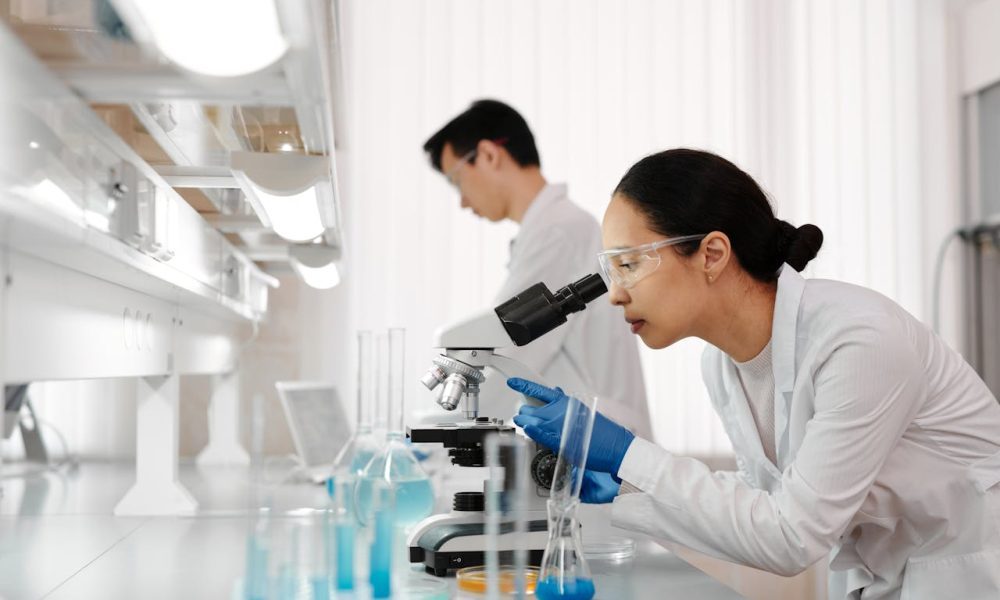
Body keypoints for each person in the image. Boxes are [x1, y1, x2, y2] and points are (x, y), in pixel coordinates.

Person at [510, 149, 1000, 599]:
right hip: (887, 578)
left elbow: (791, 535)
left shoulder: (859, 340)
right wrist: (628, 483)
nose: (615, 294)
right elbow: (763, 505)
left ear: (712, 254)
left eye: (629, 264)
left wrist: (629, 454)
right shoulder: (722, 364)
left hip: (970, 575)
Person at [423, 99, 651, 438]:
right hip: (588, 439)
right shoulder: (552, 230)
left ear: (488, 155)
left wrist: (428, 434)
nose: (463, 202)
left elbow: (507, 349)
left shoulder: (559, 232)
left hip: (603, 447)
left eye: (457, 181)